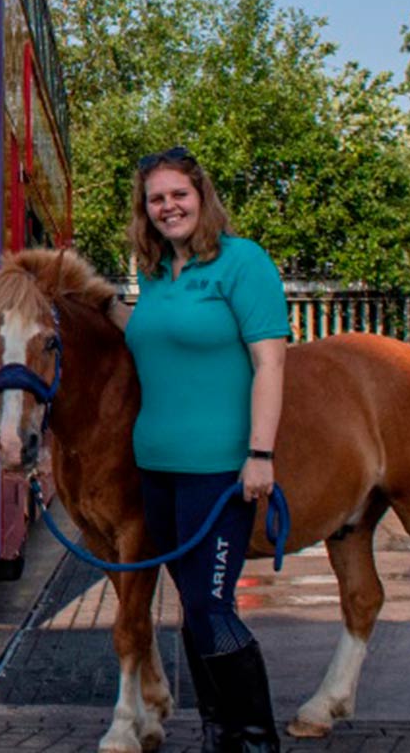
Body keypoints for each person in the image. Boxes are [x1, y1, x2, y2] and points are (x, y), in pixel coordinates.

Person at [103, 146, 288, 753]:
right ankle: (220, 736)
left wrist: (260, 454)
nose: (168, 207)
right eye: (156, 199)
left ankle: (256, 739)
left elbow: (269, 362)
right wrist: (103, 302)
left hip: (219, 471)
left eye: (178, 194)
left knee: (212, 606)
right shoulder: (157, 276)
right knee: (191, 608)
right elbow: (153, 335)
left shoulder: (243, 263)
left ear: (202, 197)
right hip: (157, 469)